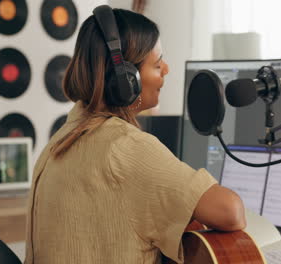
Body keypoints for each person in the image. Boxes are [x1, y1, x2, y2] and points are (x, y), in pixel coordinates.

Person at [25, 5, 246, 264]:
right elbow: (231, 212)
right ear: (126, 80)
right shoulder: (124, 147)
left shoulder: (62, 138)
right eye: (157, 63)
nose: (166, 70)